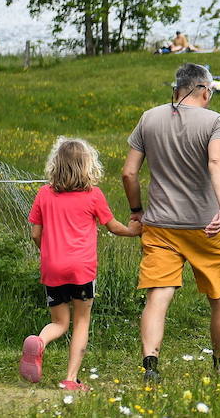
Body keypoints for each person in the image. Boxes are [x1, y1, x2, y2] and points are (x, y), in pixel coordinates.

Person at [121, 63, 220, 383]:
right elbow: (216, 161)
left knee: (158, 295)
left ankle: (150, 366)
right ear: (204, 91)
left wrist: (136, 210)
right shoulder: (215, 121)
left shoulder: (149, 118)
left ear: (175, 90)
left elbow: (129, 173)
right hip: (206, 225)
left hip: (160, 225)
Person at [21, 138, 140, 388]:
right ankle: (70, 379)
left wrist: (48, 253)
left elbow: (34, 233)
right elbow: (114, 226)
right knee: (81, 321)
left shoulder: (44, 194)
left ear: (56, 165)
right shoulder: (93, 196)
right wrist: (133, 231)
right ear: (88, 165)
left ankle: (40, 342)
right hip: (82, 270)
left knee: (59, 323)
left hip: (52, 268)